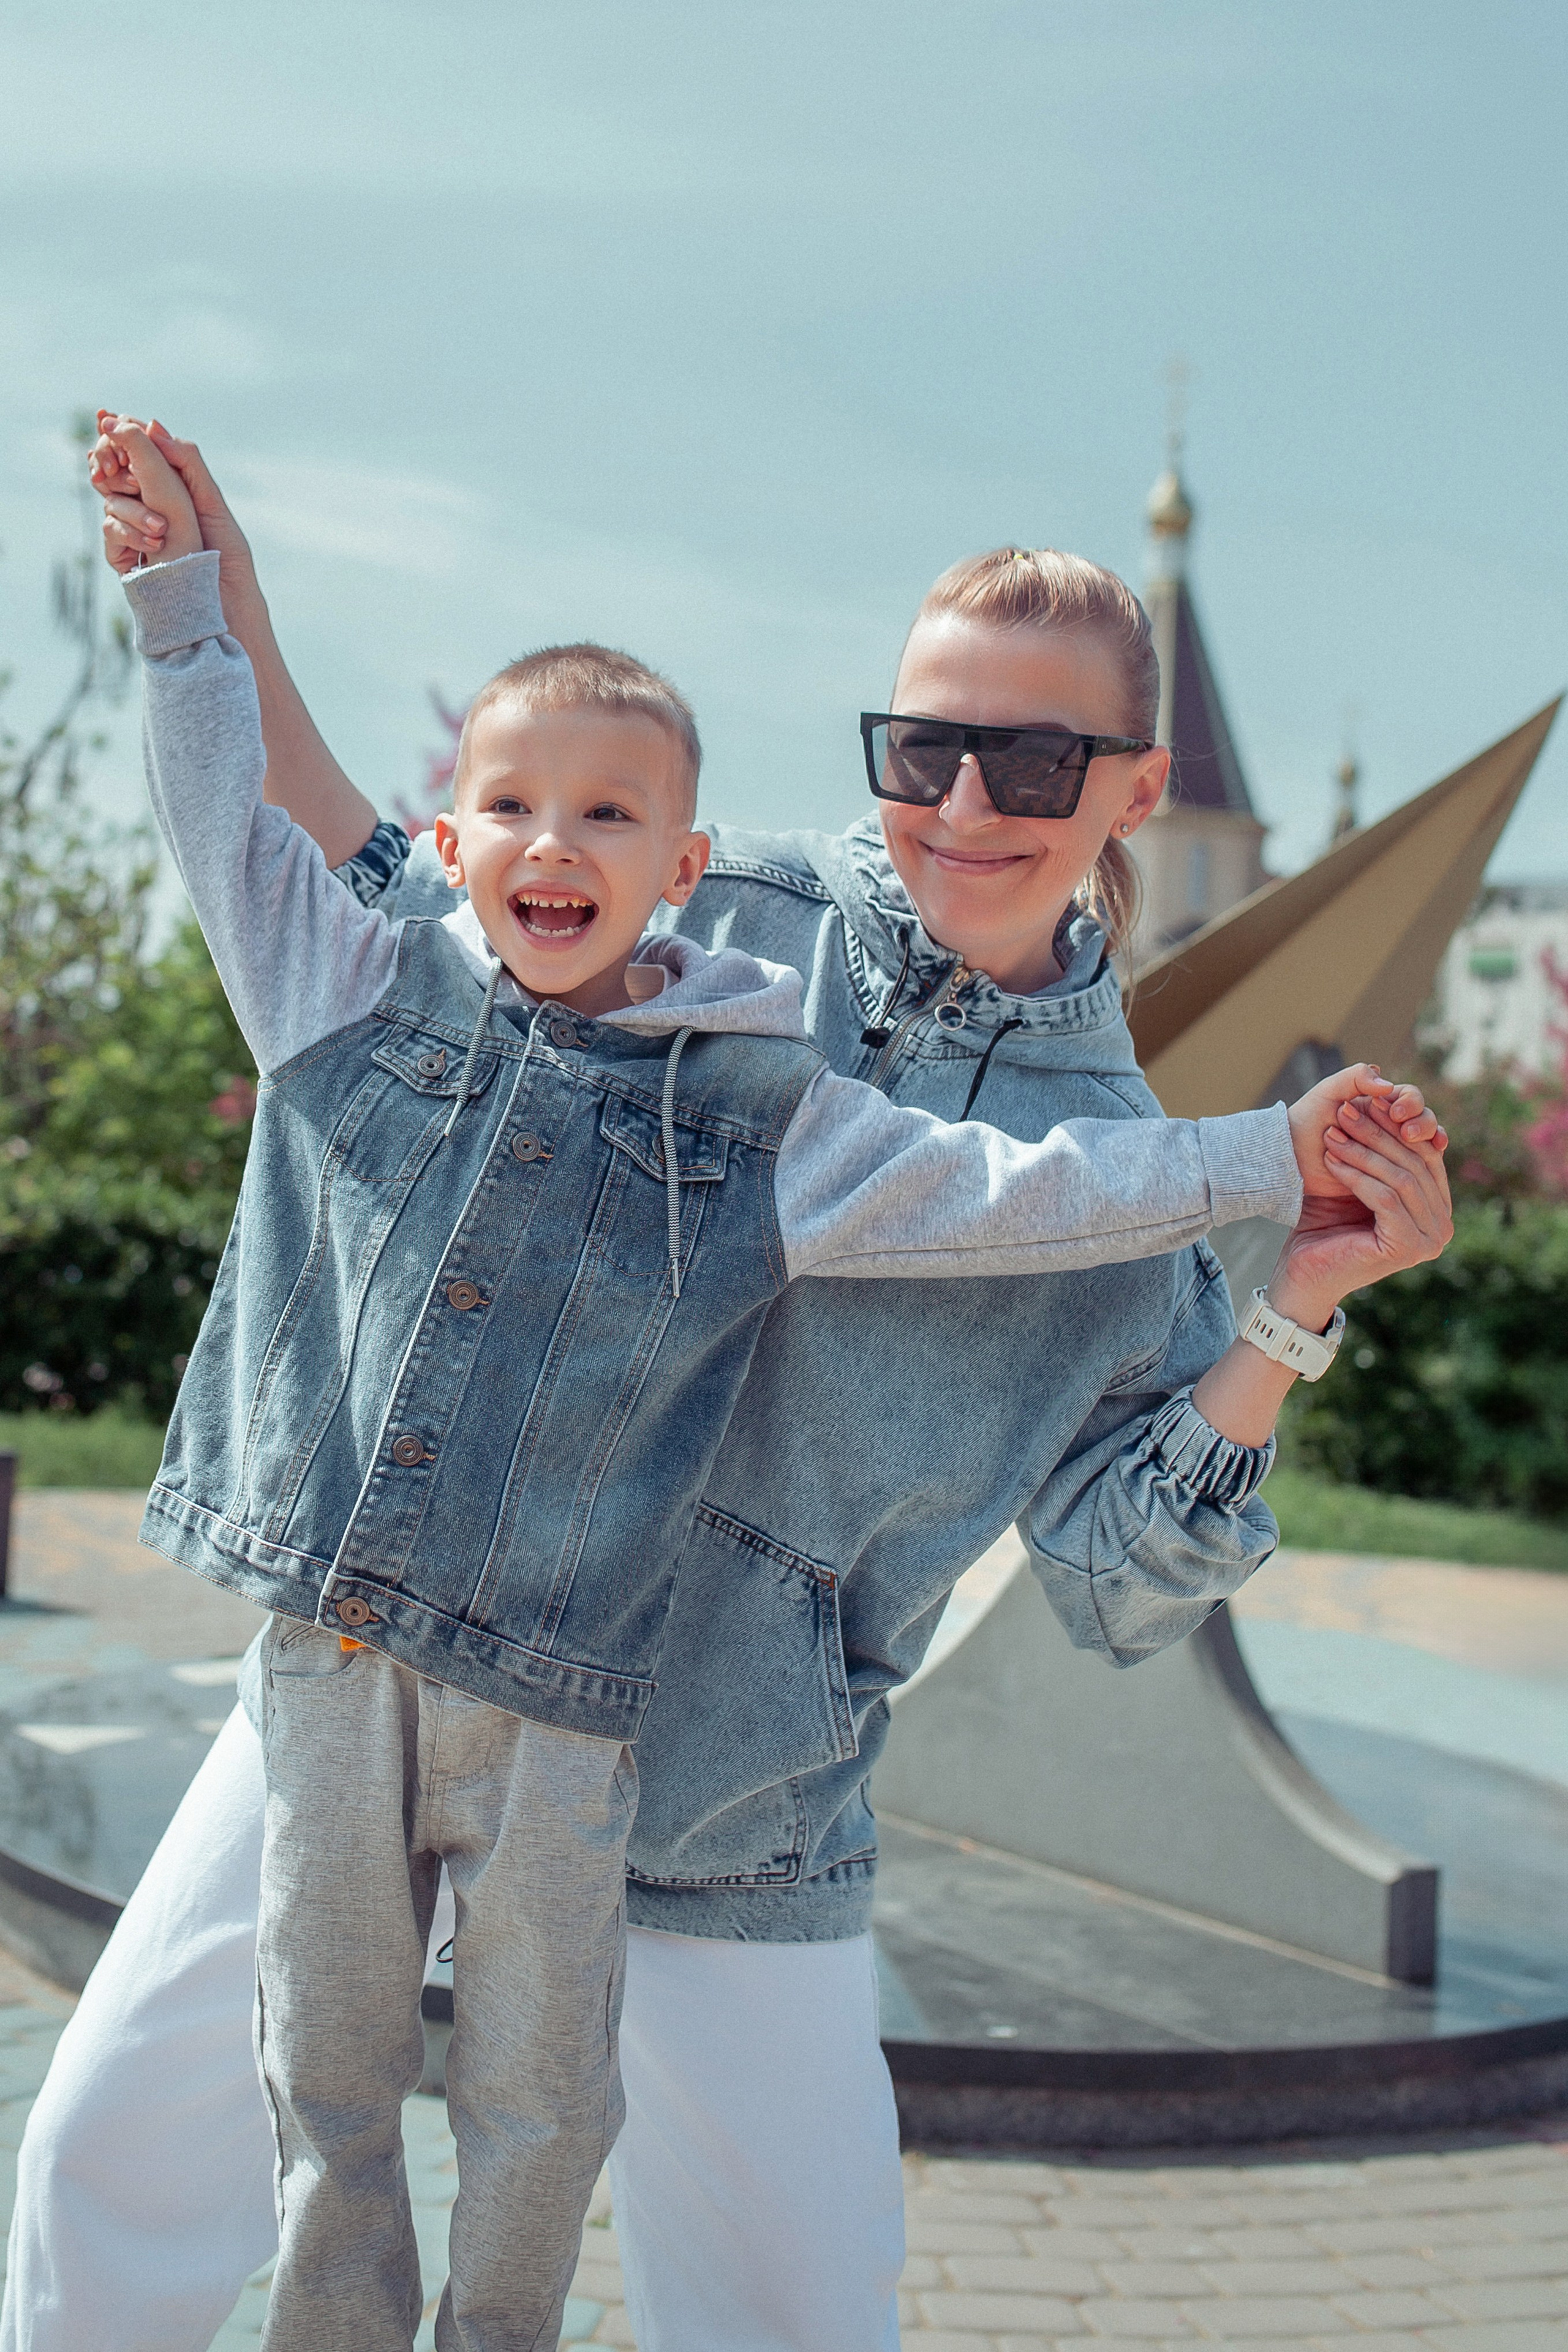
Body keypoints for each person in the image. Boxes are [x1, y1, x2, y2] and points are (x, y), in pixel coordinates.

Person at [0, 420, 1452, 2352]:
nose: (967, 800)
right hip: (399, 1652)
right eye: (925, 745)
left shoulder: (1126, 1169)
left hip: (734, 1796)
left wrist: (1289, 1313)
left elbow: (1121, 1579)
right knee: (112, 2153)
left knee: (796, 2307)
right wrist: (231, 619)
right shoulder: (712, 898)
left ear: (1135, 785)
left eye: (1036, 760)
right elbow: (391, 909)